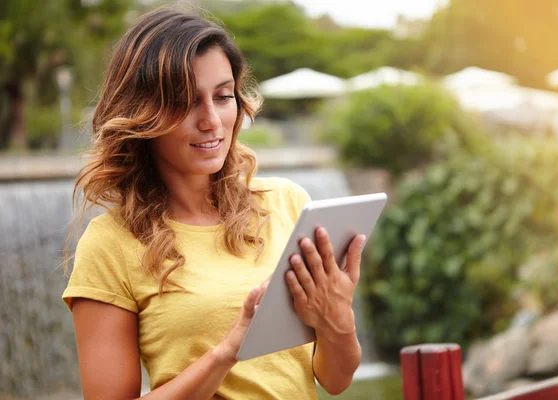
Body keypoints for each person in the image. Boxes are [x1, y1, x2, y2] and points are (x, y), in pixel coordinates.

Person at [62, 5, 366, 400]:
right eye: (186, 102)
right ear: (142, 114)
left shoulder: (287, 204)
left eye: (223, 96)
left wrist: (337, 319)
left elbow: (336, 379)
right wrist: (228, 350)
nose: (211, 120)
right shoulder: (110, 243)